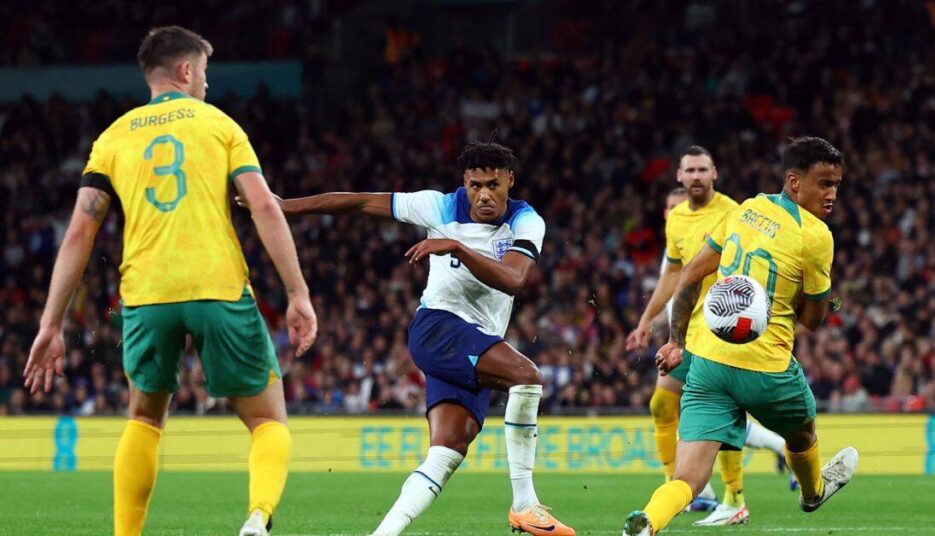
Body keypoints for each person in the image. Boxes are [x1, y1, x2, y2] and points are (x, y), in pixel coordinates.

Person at [21, 26, 317, 536]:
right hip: (217, 287)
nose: (206, 84)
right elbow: (265, 205)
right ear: (185, 71)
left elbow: (78, 233)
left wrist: (51, 324)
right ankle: (257, 518)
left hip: (146, 294)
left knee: (143, 418)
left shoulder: (113, 138)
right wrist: (297, 292)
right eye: (204, 73)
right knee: (268, 421)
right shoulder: (220, 125)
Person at [254, 141, 574, 536]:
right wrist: (285, 206)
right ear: (464, 182)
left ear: (511, 180)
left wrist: (456, 246)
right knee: (527, 377)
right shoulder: (436, 206)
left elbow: (513, 279)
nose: (484, 195)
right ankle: (525, 504)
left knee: (446, 452)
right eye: (475, 186)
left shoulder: (526, 222)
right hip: (438, 327)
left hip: (472, 340)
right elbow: (358, 203)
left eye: (493, 184)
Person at [622, 137, 859, 535]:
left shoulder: (747, 209)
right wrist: (823, 299)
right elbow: (814, 320)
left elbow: (689, 276)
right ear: (794, 181)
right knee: (803, 434)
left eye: (836, 184)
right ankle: (813, 492)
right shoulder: (816, 235)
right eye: (823, 182)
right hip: (767, 369)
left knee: (688, 477)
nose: (832, 193)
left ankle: (649, 521)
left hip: (709, 363)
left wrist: (676, 341)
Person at [625, 147, 793, 526]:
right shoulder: (677, 219)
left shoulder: (735, 212)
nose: (697, 176)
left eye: (703, 169)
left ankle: (734, 497)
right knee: (660, 404)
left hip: (722, 332)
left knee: (722, 415)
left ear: (714, 173)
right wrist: (647, 320)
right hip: (687, 330)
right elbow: (672, 274)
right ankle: (678, 487)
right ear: (680, 178)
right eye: (690, 171)